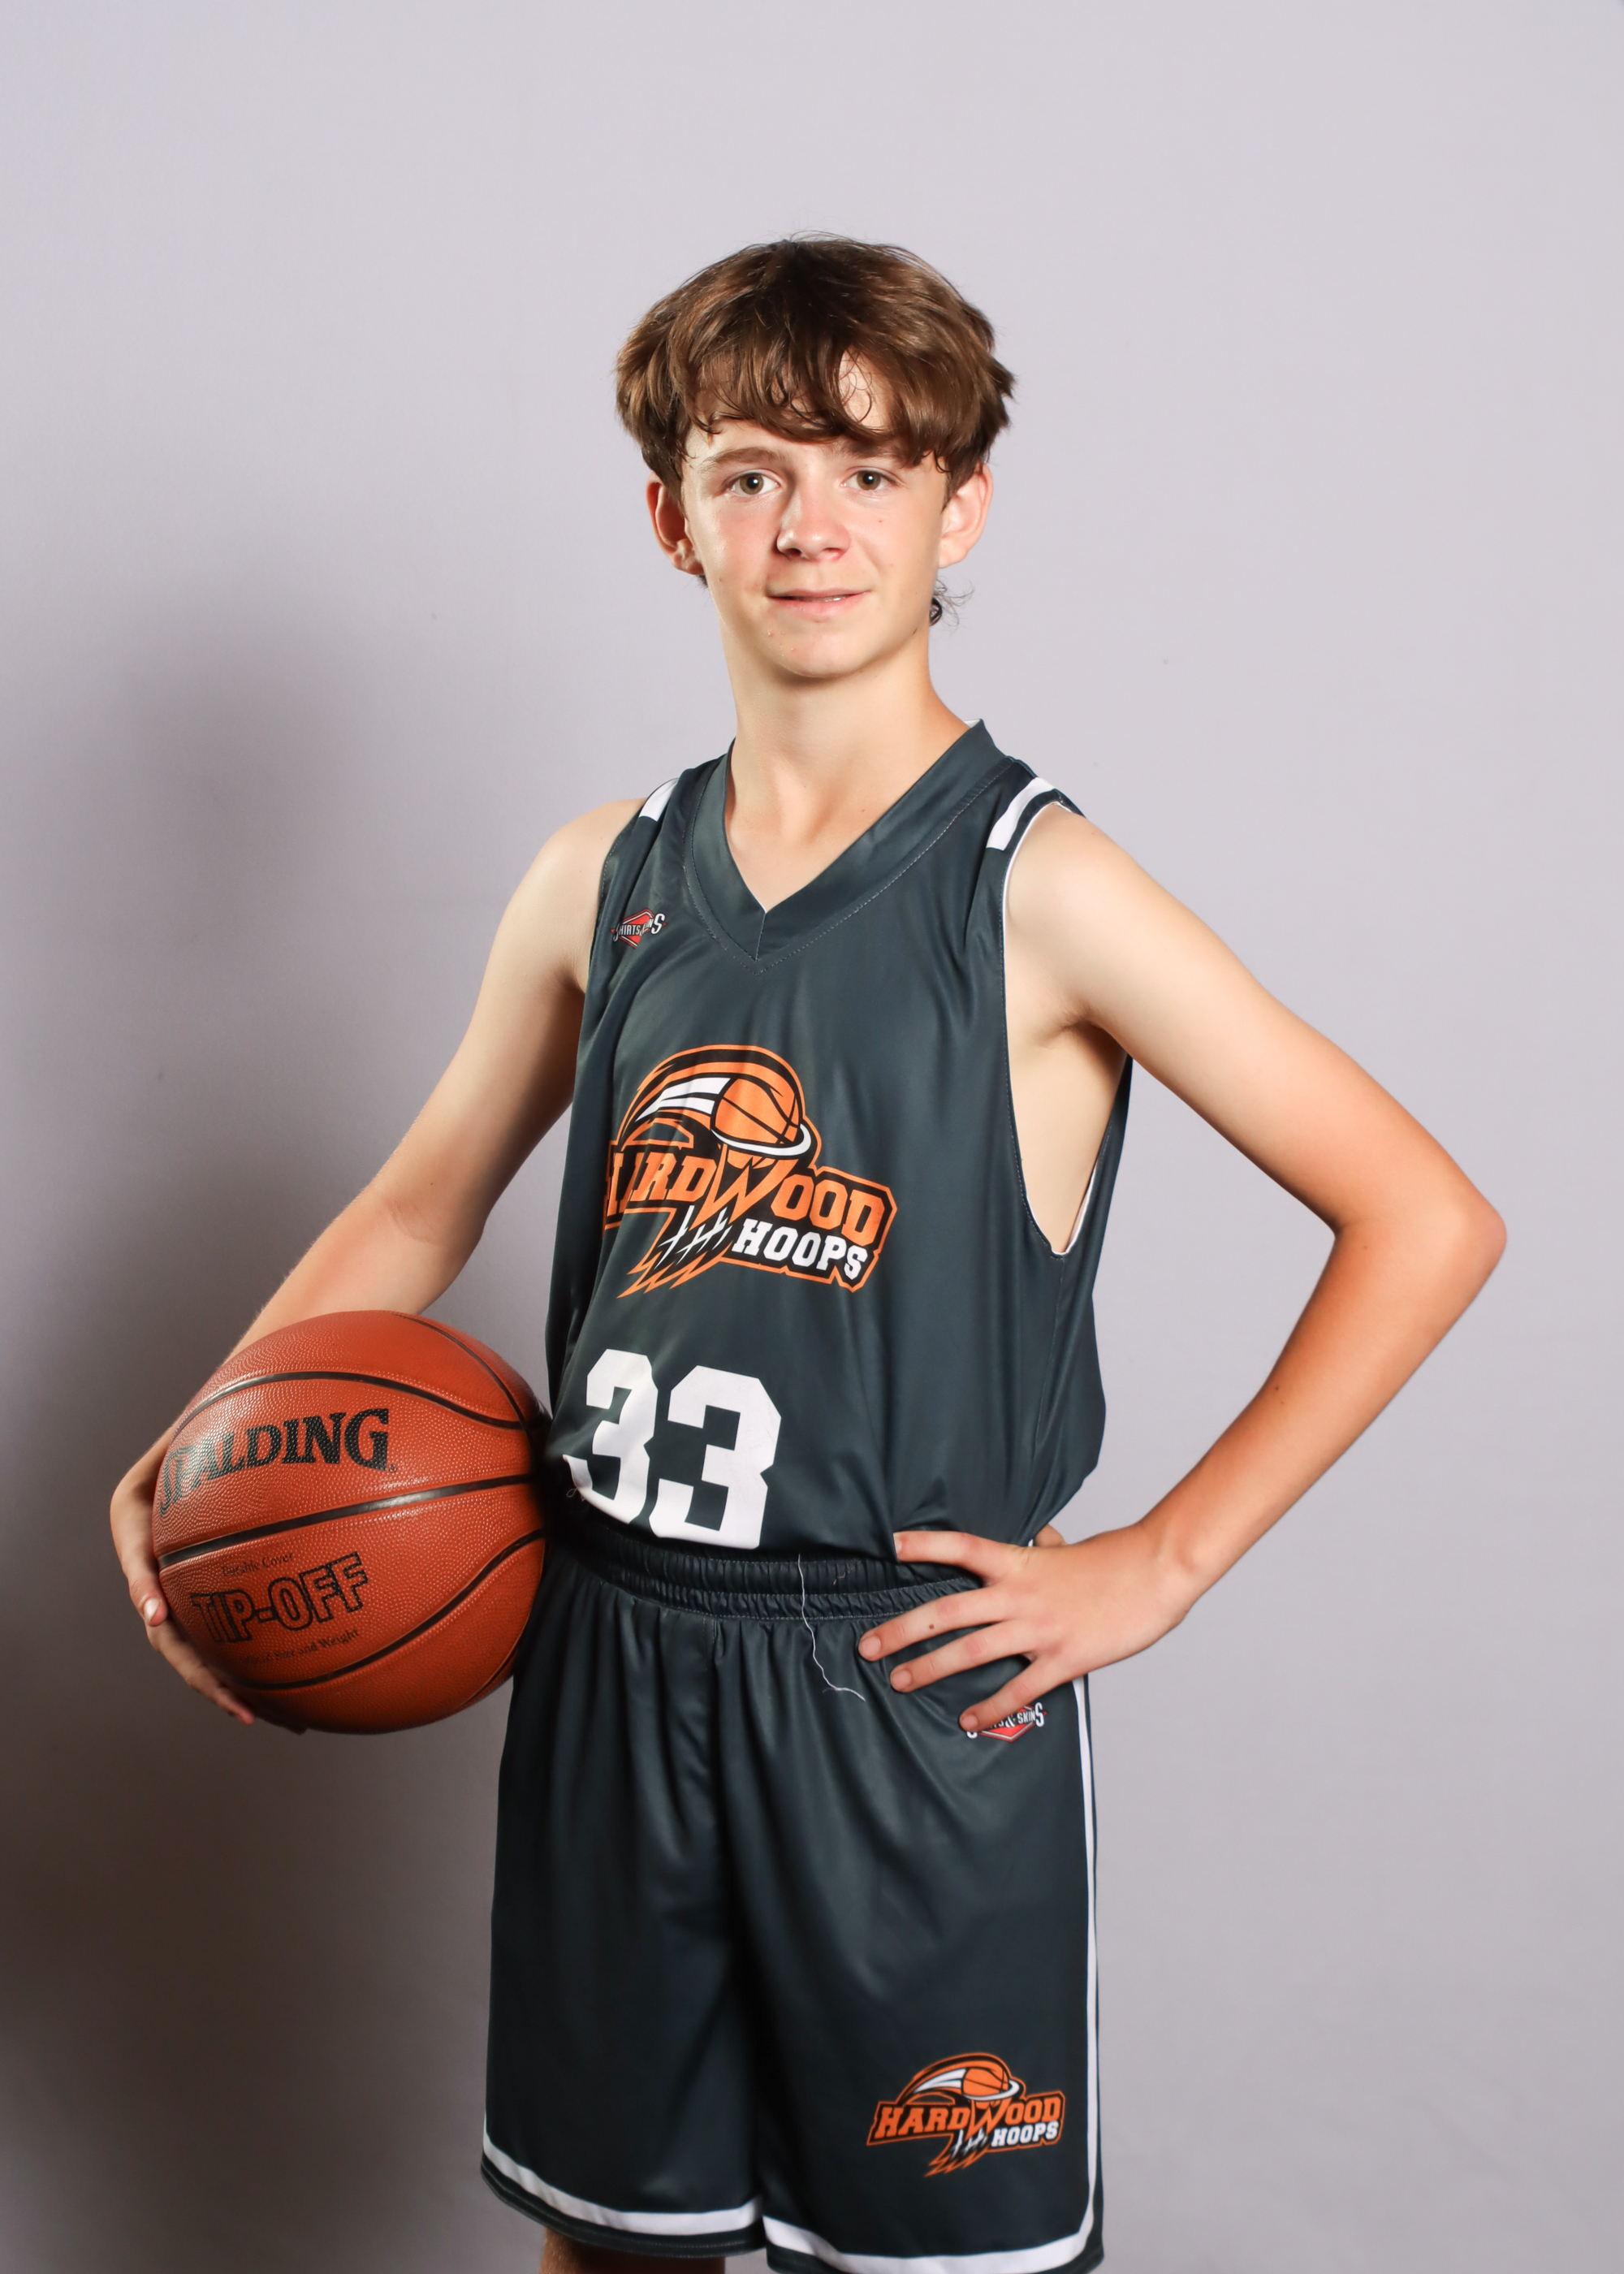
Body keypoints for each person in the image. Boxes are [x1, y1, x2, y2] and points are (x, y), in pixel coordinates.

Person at [110, 236, 1504, 2274]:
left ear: (961, 511)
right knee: (614, 2245)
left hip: (897, 1686)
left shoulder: (1039, 886)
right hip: (608, 1650)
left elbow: (1425, 1213)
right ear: (671, 519)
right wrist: (213, 1437)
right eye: (752, 471)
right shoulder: (604, 873)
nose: (811, 524)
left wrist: (1164, 1559)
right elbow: (419, 1203)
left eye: (870, 470)